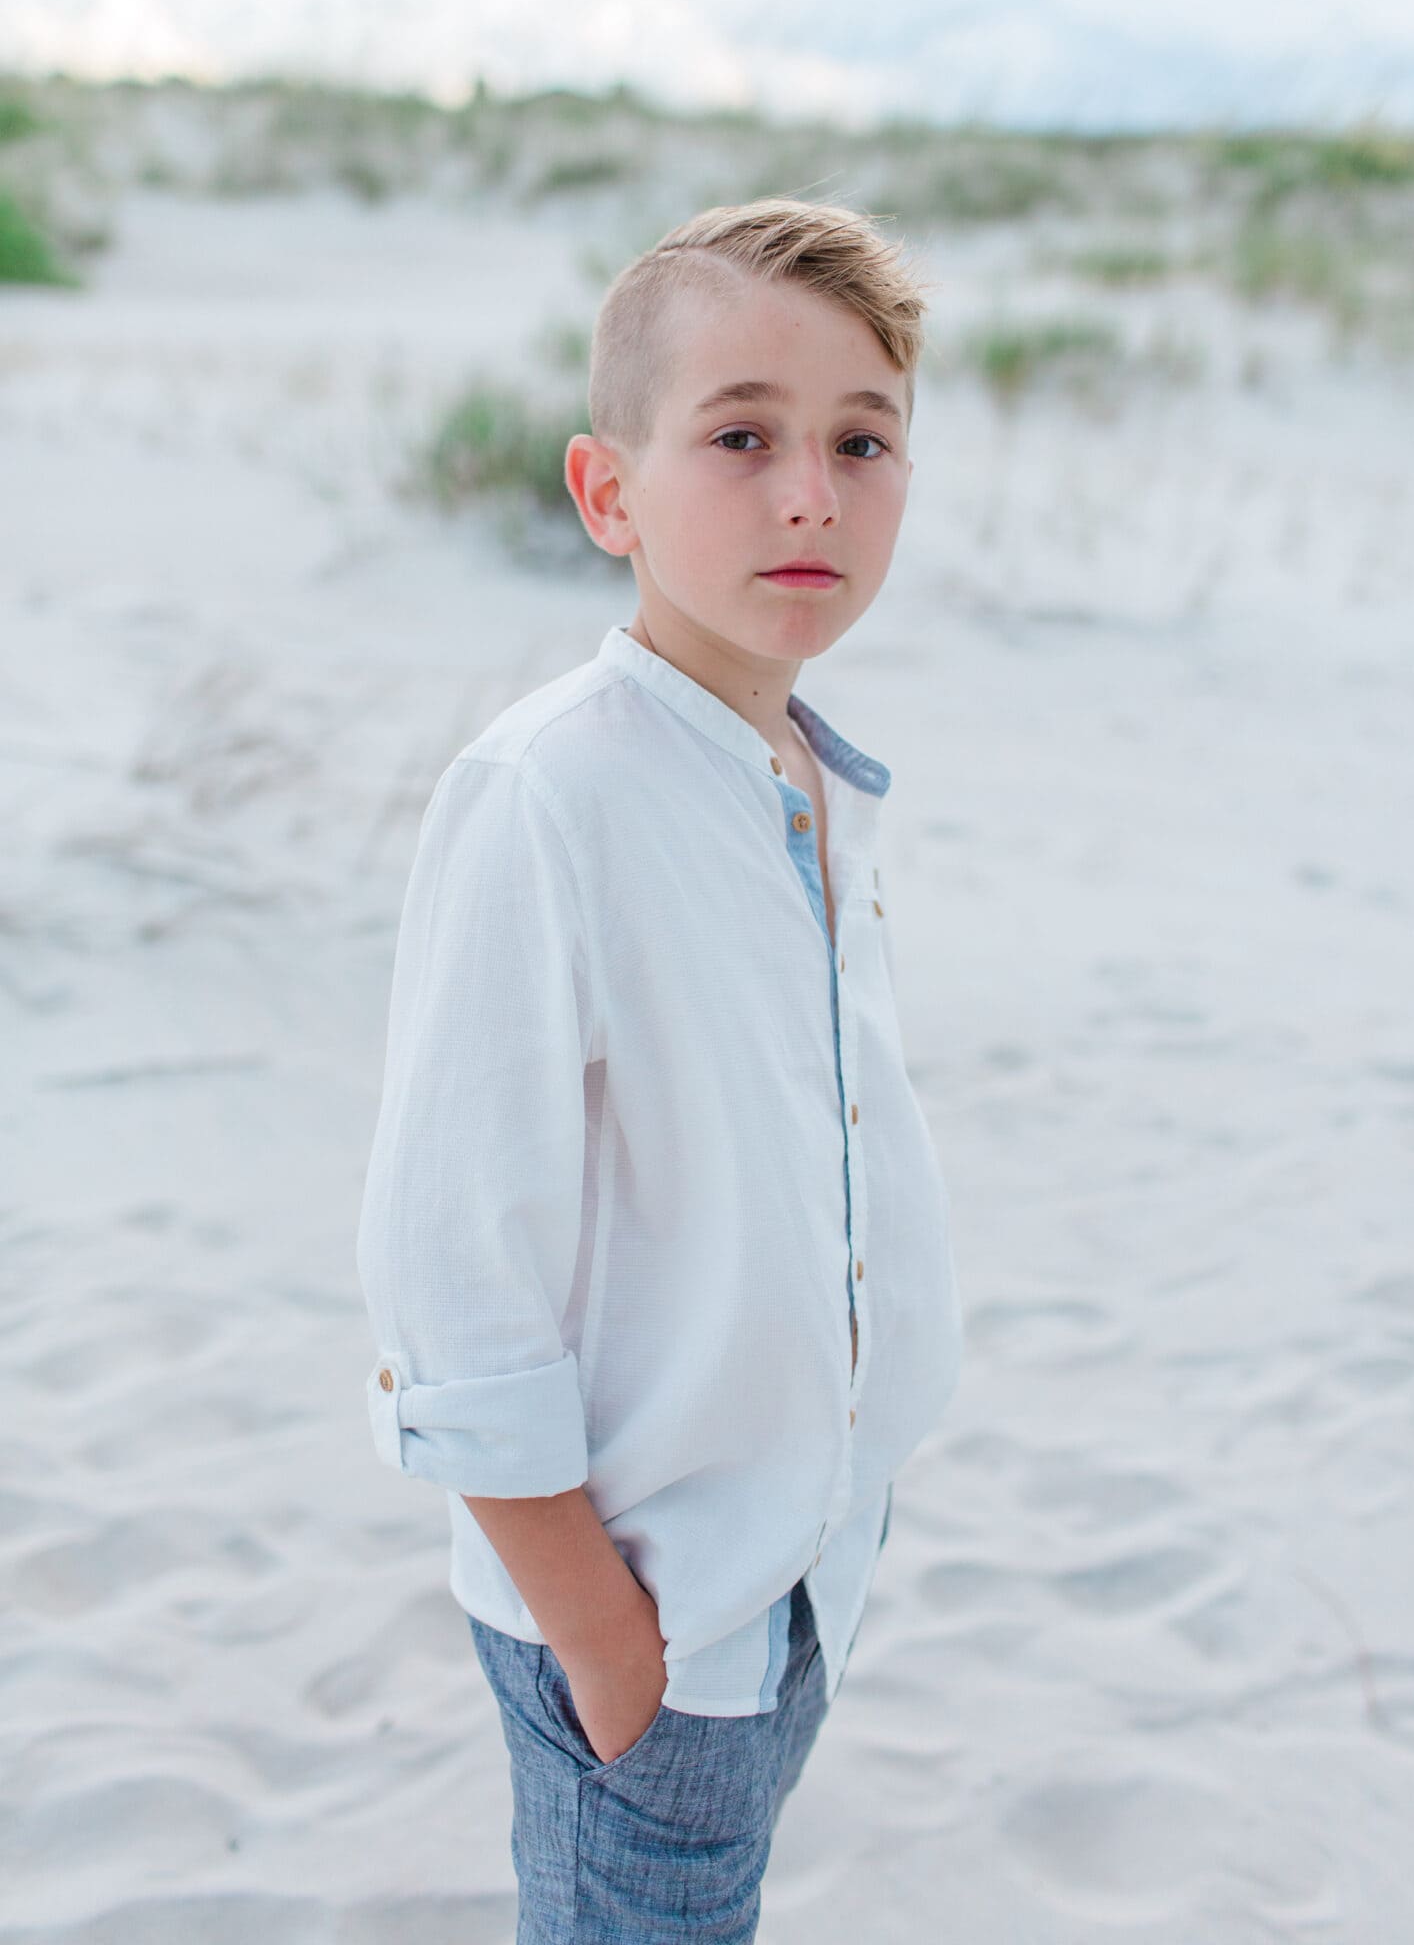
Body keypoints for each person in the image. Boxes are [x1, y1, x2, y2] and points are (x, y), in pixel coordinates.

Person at [356, 196, 967, 1942]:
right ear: (607, 493)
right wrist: (611, 1642)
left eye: (864, 442)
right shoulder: (552, 793)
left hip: (791, 1575)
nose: (811, 494)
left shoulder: (811, 778)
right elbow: (449, 1275)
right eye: (742, 436)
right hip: (645, 1618)